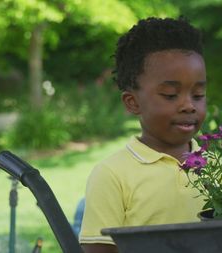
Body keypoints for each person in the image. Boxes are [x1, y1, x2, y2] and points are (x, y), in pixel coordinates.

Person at [79, 17, 207, 253]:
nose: (189, 105)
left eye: (198, 95)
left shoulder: (217, 166)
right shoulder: (112, 175)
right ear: (133, 102)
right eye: (170, 95)